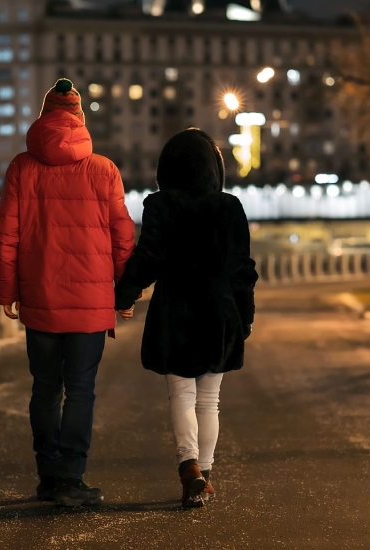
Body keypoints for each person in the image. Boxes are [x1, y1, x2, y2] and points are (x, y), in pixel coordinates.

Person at [0, 78, 136, 508]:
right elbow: (122, 237)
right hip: (91, 307)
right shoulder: (104, 169)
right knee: (81, 390)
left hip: (41, 302)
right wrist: (124, 294)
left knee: (45, 390)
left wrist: (6, 290)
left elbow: (5, 235)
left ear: (44, 116)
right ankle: (72, 477)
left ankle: (49, 477)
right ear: (78, 118)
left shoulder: (22, 167)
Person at [113, 129, 258, 508]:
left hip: (175, 310)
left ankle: (189, 467)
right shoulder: (229, 207)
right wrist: (244, 318)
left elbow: (148, 258)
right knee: (210, 401)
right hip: (219, 310)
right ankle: (202, 478)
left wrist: (124, 294)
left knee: (181, 393)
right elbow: (243, 269)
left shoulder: (161, 205)